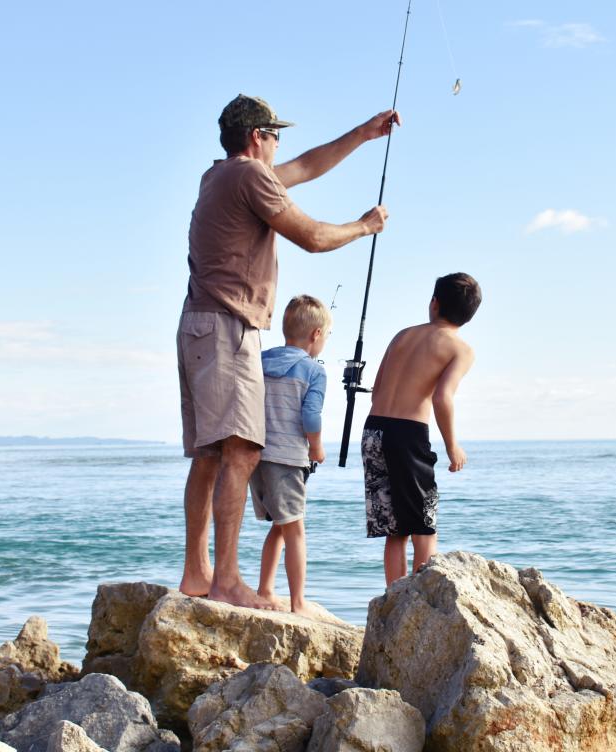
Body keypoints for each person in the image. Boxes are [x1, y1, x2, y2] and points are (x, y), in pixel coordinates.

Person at [178, 94, 400, 609]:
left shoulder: (219, 176)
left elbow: (304, 167)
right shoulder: (250, 177)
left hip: (198, 324)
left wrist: (364, 133)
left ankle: (198, 573)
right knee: (240, 448)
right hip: (229, 326)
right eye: (275, 135)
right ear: (257, 136)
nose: (281, 146)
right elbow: (313, 237)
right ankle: (228, 580)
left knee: (211, 453)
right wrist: (364, 226)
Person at [361, 273, 481, 585]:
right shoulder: (460, 349)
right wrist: (452, 445)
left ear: (434, 303)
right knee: (424, 525)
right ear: (470, 315)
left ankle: (393, 600)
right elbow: (443, 397)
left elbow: (376, 391)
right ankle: (419, 602)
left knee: (395, 528)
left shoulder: (402, 335)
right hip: (408, 434)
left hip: (373, 431)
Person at [249, 295, 331, 615]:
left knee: (280, 526)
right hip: (287, 458)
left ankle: (266, 589)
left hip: (256, 454)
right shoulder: (313, 371)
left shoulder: (260, 360)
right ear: (316, 334)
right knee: (295, 528)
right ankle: (298, 603)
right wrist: (316, 446)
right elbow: (311, 416)